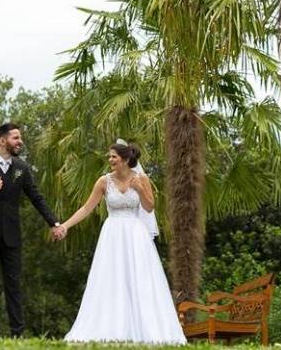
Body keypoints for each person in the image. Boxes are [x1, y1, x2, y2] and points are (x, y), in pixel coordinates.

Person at [60, 139, 186, 344]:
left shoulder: (141, 179)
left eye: (114, 157)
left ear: (126, 160)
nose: (110, 160)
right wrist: (65, 225)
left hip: (136, 235)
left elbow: (149, 207)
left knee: (138, 279)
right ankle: (110, 326)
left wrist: (140, 188)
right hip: (112, 234)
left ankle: (145, 328)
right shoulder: (103, 181)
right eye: (109, 156)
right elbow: (86, 208)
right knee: (111, 278)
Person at [0, 122, 65, 337]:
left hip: (11, 236)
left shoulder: (22, 169)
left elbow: (36, 198)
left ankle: (17, 333)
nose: (20, 141)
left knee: (14, 285)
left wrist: (54, 223)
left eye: (20, 138)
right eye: (16, 138)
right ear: (2, 140)